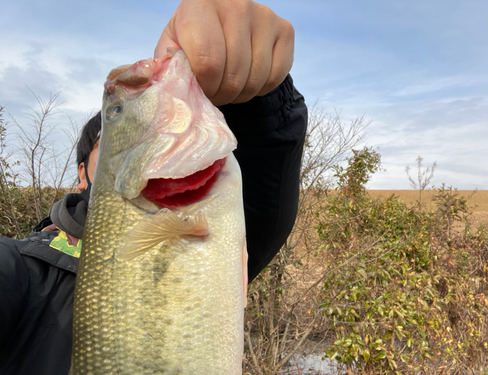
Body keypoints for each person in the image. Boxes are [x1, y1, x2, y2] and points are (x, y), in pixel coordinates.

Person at [0, 0, 307, 374]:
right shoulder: (20, 269)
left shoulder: (215, 215)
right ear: (82, 174)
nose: (123, 124)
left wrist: (253, 91)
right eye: (112, 131)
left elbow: (265, 182)